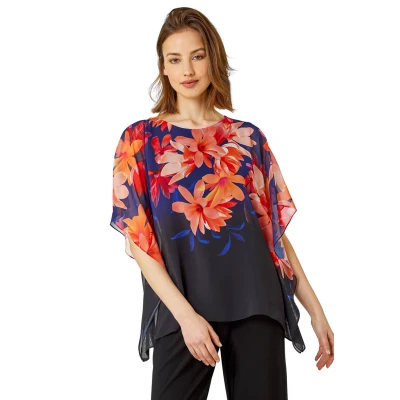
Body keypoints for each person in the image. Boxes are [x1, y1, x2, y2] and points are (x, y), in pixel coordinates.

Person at [110, 7, 334, 400]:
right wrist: (186, 317)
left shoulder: (247, 138)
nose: (187, 70)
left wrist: (315, 310)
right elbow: (139, 241)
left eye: (197, 56)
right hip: (182, 310)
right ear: (163, 68)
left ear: (213, 58)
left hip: (256, 304)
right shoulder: (139, 141)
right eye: (174, 59)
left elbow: (273, 235)